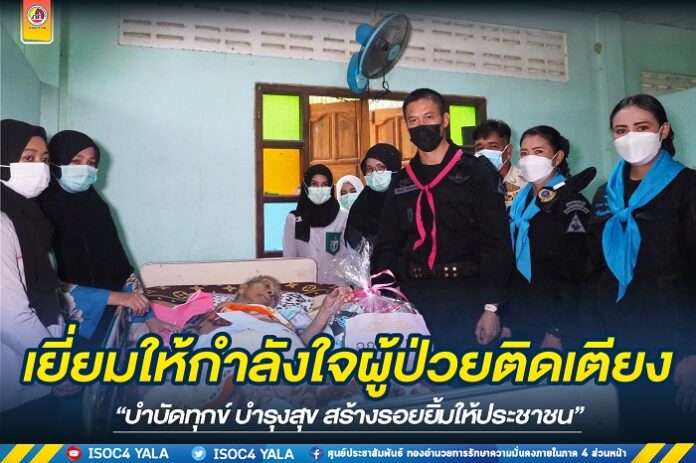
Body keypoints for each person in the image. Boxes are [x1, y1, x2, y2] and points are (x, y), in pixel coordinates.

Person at [587, 94, 696, 439]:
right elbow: (594, 269)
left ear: (663, 130)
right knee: (632, 434)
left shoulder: (688, 187)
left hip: (674, 339)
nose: (630, 137)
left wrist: (692, 351)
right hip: (617, 341)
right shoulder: (606, 194)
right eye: (621, 130)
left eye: (642, 127)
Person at [371, 89, 514, 351]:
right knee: (415, 373)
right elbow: (387, 243)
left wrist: (492, 307)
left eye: (429, 117)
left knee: (466, 374)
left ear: (445, 120)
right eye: (413, 120)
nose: (421, 126)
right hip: (414, 299)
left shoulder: (476, 172)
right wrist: (383, 296)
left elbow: (496, 243)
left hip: (467, 297)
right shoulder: (402, 180)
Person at [37, 130, 169, 342]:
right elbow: (40, 284)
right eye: (76, 161)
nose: (85, 169)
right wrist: (113, 297)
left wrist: (150, 318)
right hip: (62, 327)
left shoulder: (97, 208)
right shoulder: (38, 213)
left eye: (91, 163)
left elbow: (120, 266)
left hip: (110, 318)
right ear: (56, 162)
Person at [507, 126, 590, 350]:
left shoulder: (571, 203)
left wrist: (557, 330)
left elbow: (575, 272)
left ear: (558, 157)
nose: (529, 159)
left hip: (556, 321)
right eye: (524, 153)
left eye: (538, 152)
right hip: (522, 315)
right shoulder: (519, 203)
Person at [283, 164, 348, 285]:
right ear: (306, 186)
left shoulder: (342, 217)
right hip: (305, 287)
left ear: (330, 187)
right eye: (314, 184)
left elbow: (348, 256)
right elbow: (289, 258)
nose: (319, 189)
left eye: (324, 184)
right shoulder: (294, 219)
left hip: (336, 287)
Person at [345, 143, 402, 250]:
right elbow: (353, 240)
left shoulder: (408, 200)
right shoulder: (361, 205)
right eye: (369, 169)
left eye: (380, 168)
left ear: (393, 168)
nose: (374, 173)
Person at [473, 119, 528, 208]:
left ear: (508, 151)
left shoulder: (526, 183)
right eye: (479, 148)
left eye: (493, 146)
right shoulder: (470, 184)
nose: (485, 152)